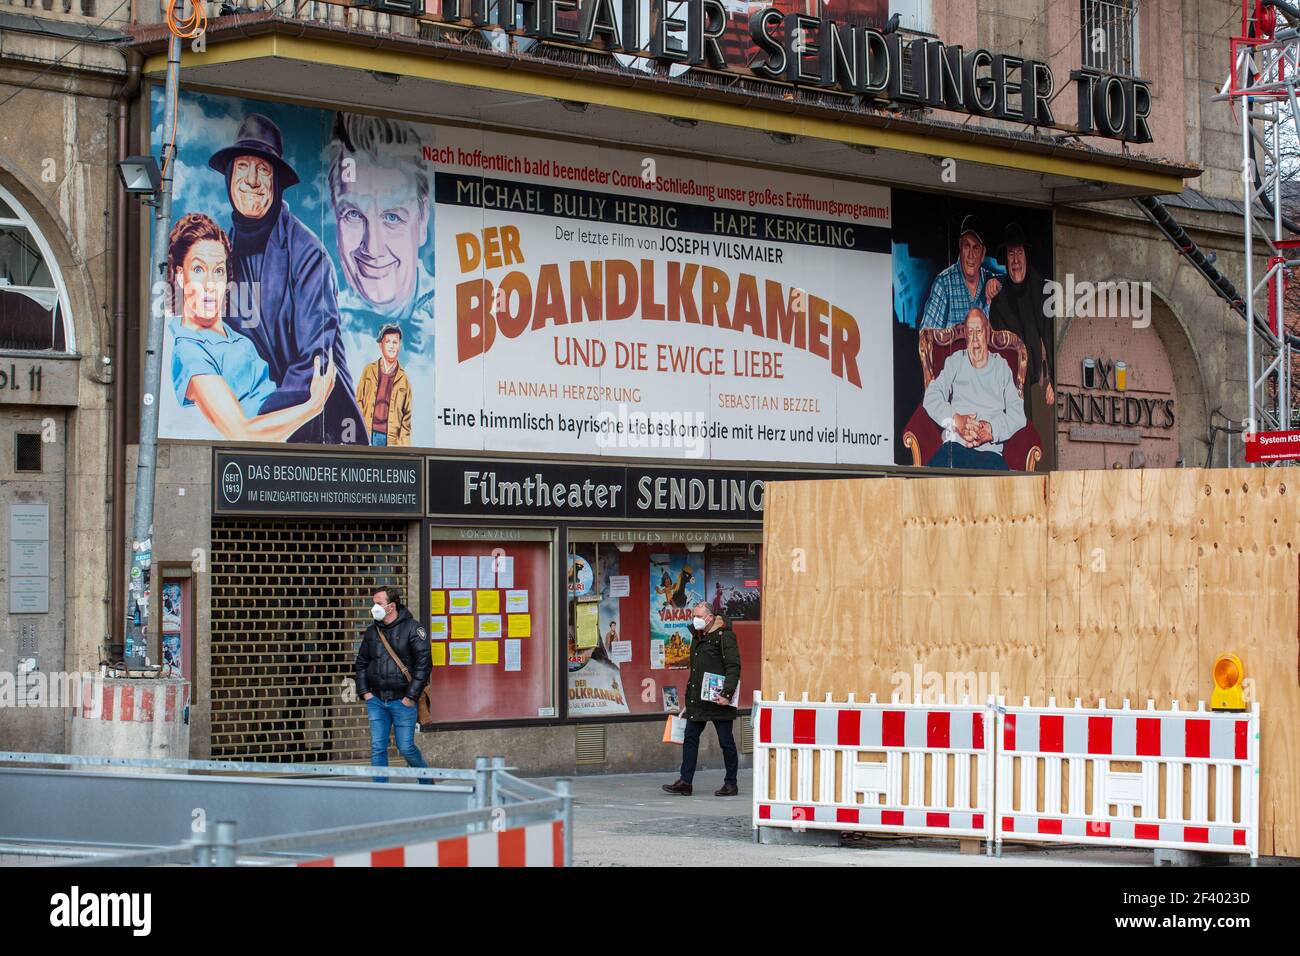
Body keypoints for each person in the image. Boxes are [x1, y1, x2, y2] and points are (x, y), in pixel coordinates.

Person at [208, 112, 364, 444]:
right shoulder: (220, 250)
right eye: (243, 168)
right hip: (255, 427)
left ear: (277, 183)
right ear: (229, 179)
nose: (251, 181)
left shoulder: (307, 254)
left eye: (263, 170)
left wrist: (254, 423)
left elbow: (314, 361)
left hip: (320, 434)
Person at [166, 212, 337, 442]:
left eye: (218, 271)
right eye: (198, 270)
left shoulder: (235, 332)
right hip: (276, 441)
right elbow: (241, 432)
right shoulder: (190, 351)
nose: (210, 285)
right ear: (179, 276)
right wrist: (314, 406)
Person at [326, 112, 434, 352]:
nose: (373, 248)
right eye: (353, 214)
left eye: (392, 217)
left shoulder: (459, 314)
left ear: (423, 219)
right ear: (334, 209)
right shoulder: (319, 326)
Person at [922, 307, 1027, 470]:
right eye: (970, 332)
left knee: (1002, 489)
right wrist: (957, 421)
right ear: (965, 334)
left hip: (990, 453)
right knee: (927, 485)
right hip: (956, 448)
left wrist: (992, 429)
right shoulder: (955, 361)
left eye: (979, 331)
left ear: (987, 332)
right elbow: (930, 398)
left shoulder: (1001, 367)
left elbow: (1018, 415)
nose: (975, 339)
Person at [662, 601, 741, 797]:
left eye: (697, 616)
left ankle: (731, 783)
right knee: (690, 738)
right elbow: (696, 670)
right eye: (693, 616)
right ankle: (685, 781)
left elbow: (733, 666)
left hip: (719, 700)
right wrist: (689, 698)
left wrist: (727, 694)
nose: (694, 619)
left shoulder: (724, 636)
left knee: (726, 742)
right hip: (699, 699)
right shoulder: (698, 636)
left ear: (709, 617)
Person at [354, 586, 431, 784]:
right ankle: (380, 789)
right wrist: (365, 693)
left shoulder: (413, 628)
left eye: (378, 603)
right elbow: (361, 663)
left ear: (391, 606)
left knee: (405, 747)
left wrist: (410, 697)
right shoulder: (372, 631)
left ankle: (426, 779)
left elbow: (424, 666)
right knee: (378, 747)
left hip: (402, 700)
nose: (373, 607)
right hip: (377, 700)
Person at [989, 222, 1055, 450]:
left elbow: (1053, 338)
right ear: (1006, 259)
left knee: (1041, 448)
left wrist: (1053, 381)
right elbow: (995, 348)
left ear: (1026, 255)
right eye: (1010, 254)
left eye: (1019, 253)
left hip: (1040, 386)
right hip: (1011, 392)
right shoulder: (999, 301)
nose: (1015, 260)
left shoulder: (1046, 292)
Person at [920, 215, 1003, 330]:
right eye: (967, 246)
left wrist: (998, 282)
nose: (970, 255)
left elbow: (1012, 283)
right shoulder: (944, 283)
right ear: (960, 247)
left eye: (976, 248)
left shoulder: (990, 279)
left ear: (983, 253)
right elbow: (926, 338)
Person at [354, 323, 413, 446]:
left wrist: (404, 447)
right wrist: (360, 432)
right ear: (380, 345)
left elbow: (406, 419)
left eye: (395, 342)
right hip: (368, 434)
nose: (391, 346)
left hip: (391, 440)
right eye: (388, 342)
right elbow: (358, 401)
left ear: (399, 346)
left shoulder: (404, 379)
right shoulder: (369, 371)